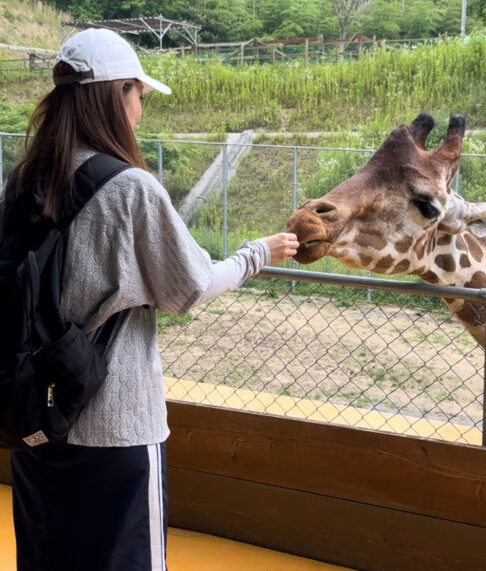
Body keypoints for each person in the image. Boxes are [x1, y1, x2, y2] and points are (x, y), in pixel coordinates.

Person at [0, 28, 299, 570]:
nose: (141, 108)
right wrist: (258, 253)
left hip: (33, 420)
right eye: (139, 93)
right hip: (114, 427)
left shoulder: (26, 181)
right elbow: (189, 287)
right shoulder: (130, 188)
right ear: (116, 96)